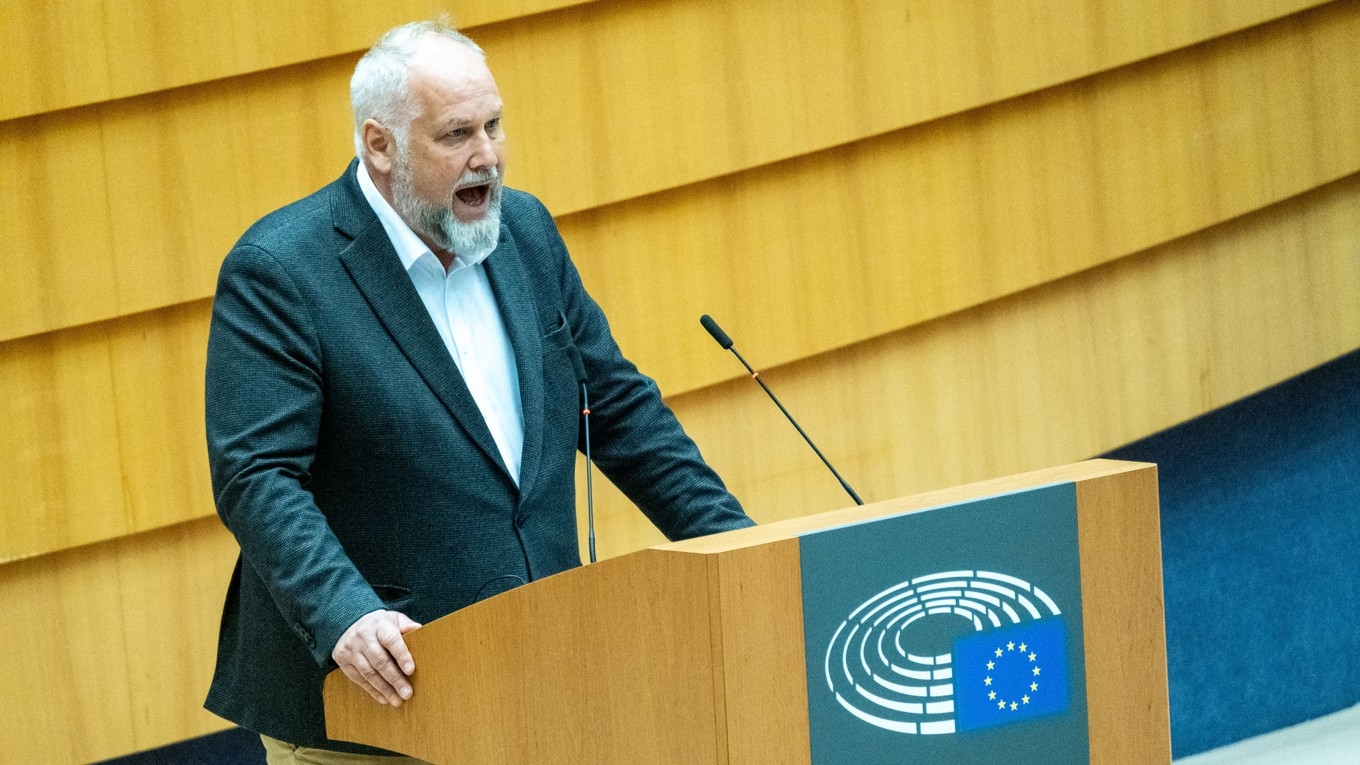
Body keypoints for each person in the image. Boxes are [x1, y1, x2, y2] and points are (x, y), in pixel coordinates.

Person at [203, 18, 753, 762]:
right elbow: (258, 476)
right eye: (457, 134)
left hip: (539, 677)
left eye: (493, 125)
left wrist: (740, 548)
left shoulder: (523, 230)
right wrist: (346, 614)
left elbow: (619, 410)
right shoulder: (282, 270)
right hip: (378, 705)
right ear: (380, 145)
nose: (487, 156)